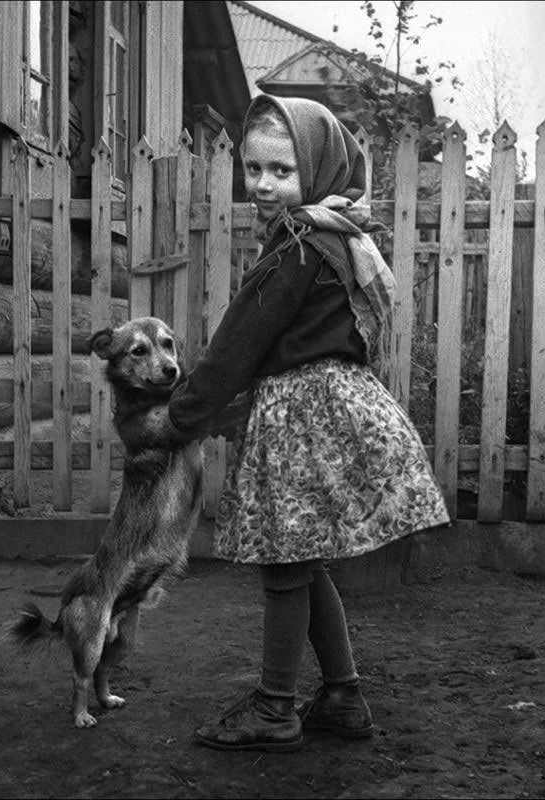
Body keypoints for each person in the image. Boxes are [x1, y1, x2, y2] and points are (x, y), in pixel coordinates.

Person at [157, 94, 451, 752]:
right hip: (330, 406)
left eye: (281, 171)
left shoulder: (298, 243)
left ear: (315, 170)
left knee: (286, 565)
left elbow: (238, 345)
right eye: (253, 169)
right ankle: (343, 695)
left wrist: (179, 419)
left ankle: (275, 705)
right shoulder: (338, 234)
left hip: (300, 419)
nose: (263, 185)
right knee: (307, 561)